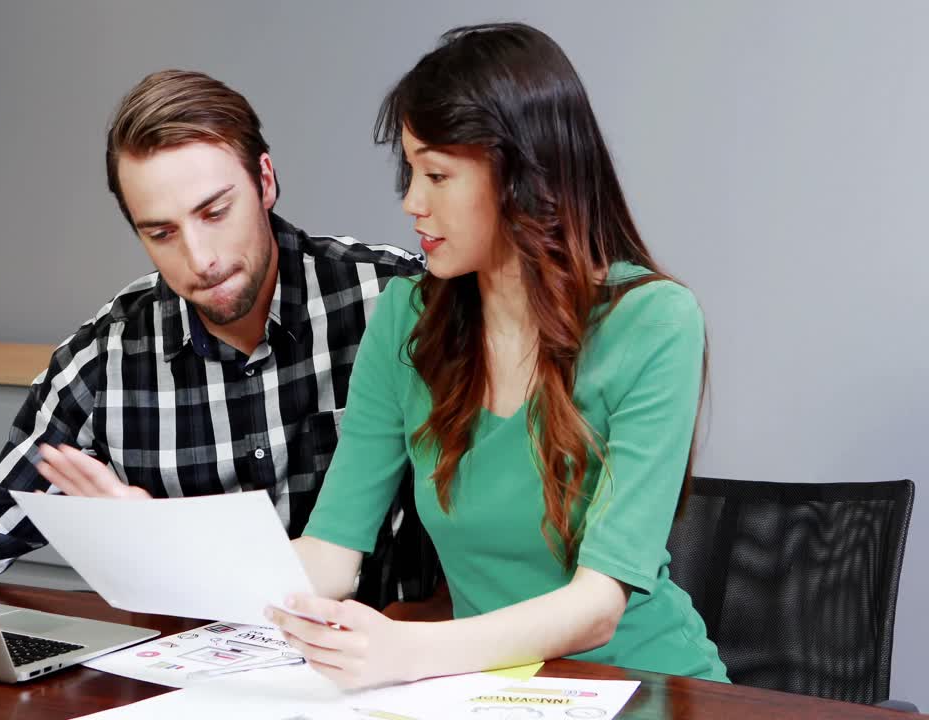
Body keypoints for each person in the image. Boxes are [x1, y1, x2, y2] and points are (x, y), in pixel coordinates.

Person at [0, 69, 441, 651]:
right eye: (160, 232)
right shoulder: (109, 352)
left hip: (390, 661)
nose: (199, 260)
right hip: (192, 678)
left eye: (215, 211)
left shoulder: (396, 302)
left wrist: (158, 540)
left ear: (264, 181)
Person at [265, 23, 729, 688]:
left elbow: (598, 607)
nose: (411, 202)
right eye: (411, 172)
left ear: (522, 175)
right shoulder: (406, 321)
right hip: (494, 690)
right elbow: (331, 554)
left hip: (646, 686)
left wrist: (410, 651)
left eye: (437, 174)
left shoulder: (654, 322)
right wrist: (169, 556)